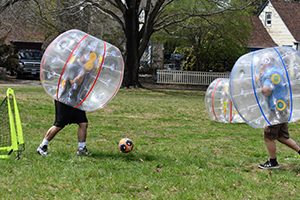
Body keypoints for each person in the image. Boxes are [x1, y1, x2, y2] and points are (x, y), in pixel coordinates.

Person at [258, 61, 300, 169]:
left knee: (268, 136)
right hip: (283, 108)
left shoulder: (268, 75)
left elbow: (267, 90)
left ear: (266, 64)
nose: (260, 66)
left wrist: (260, 88)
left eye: (261, 64)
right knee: (282, 136)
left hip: (275, 110)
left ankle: (273, 162)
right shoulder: (279, 72)